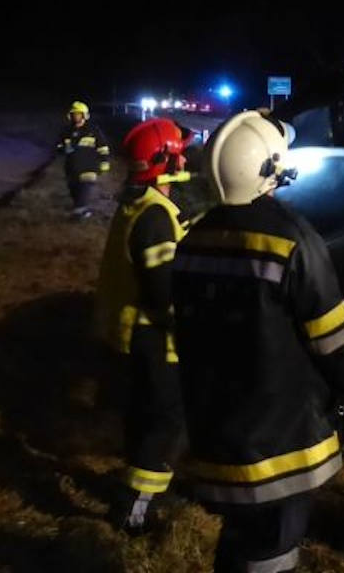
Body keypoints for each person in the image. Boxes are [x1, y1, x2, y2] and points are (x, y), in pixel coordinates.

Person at [171, 110, 344, 573]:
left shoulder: (193, 239)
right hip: (282, 440)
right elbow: (333, 338)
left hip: (215, 430)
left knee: (239, 537)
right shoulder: (293, 239)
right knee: (272, 547)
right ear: (270, 168)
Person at [96, 118, 193, 531]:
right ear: (165, 160)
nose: (186, 155)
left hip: (128, 336)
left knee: (142, 419)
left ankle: (137, 487)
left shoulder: (137, 204)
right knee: (167, 425)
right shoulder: (154, 216)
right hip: (153, 339)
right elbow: (163, 292)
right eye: (180, 149)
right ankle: (135, 511)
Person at [56, 101, 110, 219]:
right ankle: (83, 210)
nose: (76, 116)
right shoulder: (66, 131)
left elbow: (103, 147)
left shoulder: (93, 130)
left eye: (79, 114)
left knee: (84, 189)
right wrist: (63, 148)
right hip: (72, 167)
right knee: (74, 190)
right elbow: (58, 147)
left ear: (84, 115)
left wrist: (104, 162)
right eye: (74, 114)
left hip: (89, 167)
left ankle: (79, 214)